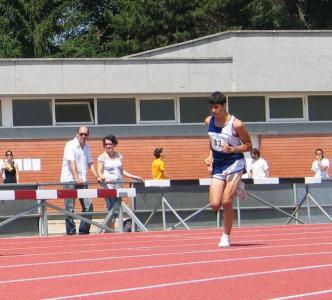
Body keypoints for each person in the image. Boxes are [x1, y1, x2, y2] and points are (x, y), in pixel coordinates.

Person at [205, 91, 252, 247]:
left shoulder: (236, 124)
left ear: (224, 106)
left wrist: (233, 149)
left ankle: (226, 235)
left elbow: (249, 146)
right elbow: (211, 141)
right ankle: (237, 186)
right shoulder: (208, 121)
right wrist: (209, 155)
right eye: (211, 107)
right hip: (218, 165)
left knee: (226, 201)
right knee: (215, 204)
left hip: (234, 162)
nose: (213, 111)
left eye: (216, 107)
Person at [60, 126, 100, 235]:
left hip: (83, 181)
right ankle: (71, 232)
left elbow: (90, 163)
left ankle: (83, 231)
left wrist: (97, 176)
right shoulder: (70, 145)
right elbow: (71, 162)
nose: (83, 136)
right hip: (69, 180)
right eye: (81, 134)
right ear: (77, 134)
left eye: (85, 134)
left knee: (88, 206)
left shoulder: (86, 147)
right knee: (69, 207)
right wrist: (76, 177)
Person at [97, 135, 142, 229]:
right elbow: (99, 172)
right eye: (106, 144)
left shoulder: (119, 155)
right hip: (108, 186)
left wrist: (133, 176)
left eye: (110, 144)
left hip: (118, 186)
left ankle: (110, 230)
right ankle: (110, 230)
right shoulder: (102, 157)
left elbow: (121, 171)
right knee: (112, 209)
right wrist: (104, 178)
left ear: (114, 144)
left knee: (117, 209)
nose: (108, 146)